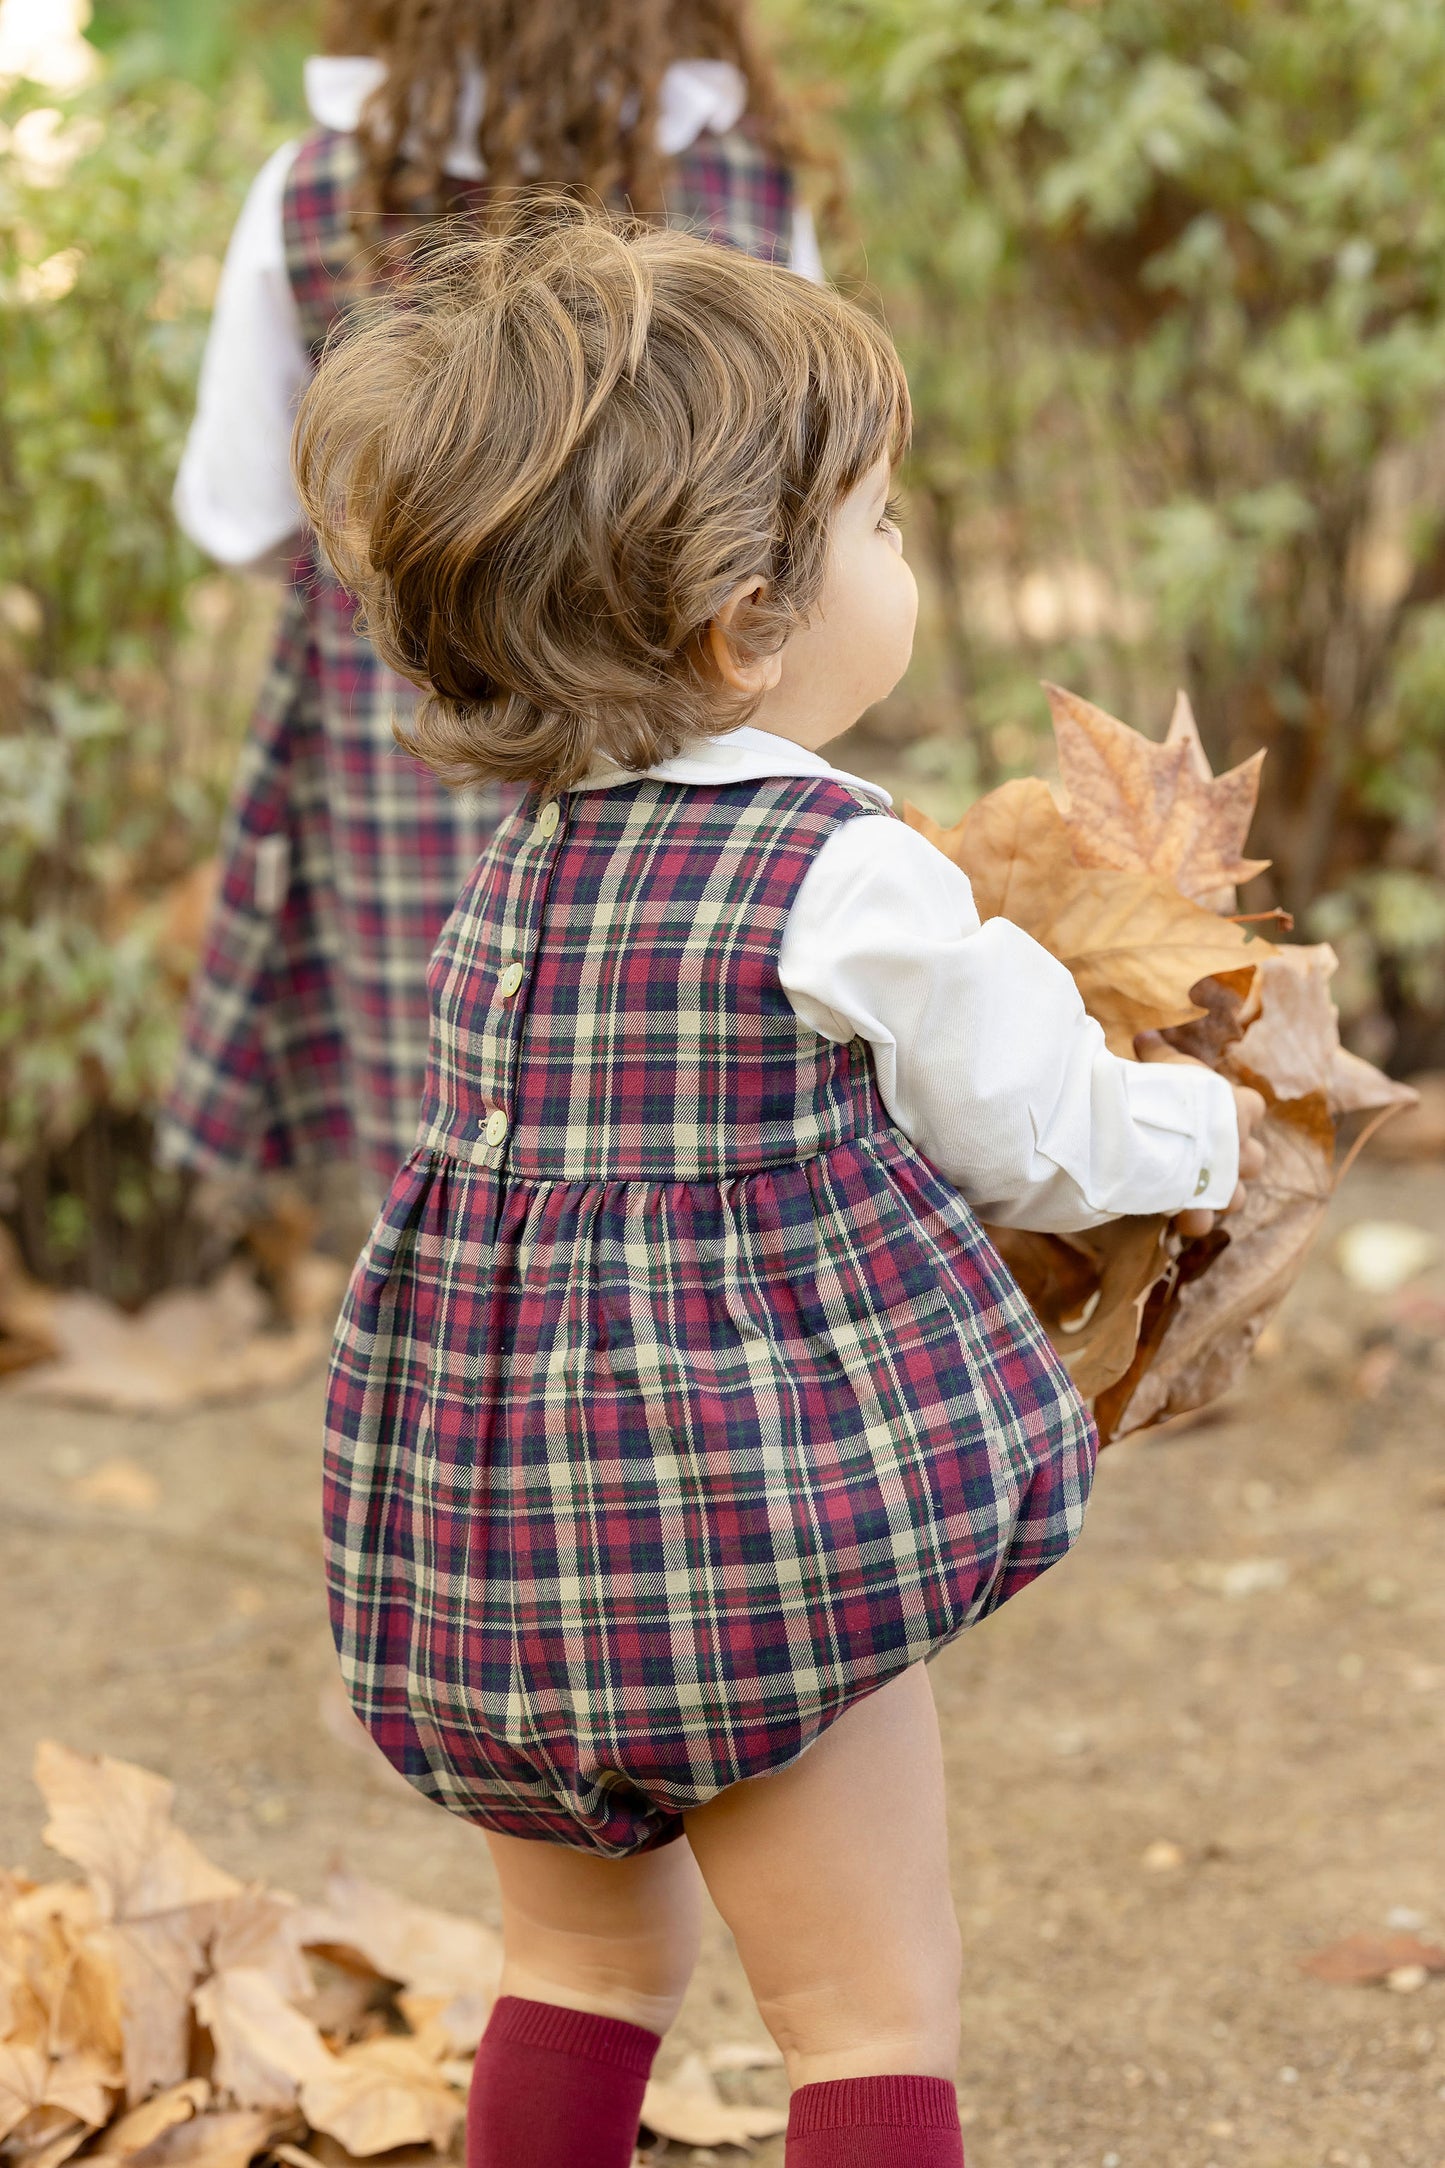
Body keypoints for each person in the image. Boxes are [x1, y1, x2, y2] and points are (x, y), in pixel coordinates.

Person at [299, 213, 1265, 2168]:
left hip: (489, 1548)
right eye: (883, 526)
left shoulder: (517, 867)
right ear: (745, 615)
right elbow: (1029, 1123)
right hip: (746, 1544)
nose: (899, 555)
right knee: (861, 2008)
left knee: (572, 1972)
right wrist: (1205, 1134)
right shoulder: (840, 866)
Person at [161, 0, 821, 1192]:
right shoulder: (746, 191)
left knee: (438, 1117)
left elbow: (246, 509)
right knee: (678, 1093)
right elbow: (814, 504)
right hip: (688, 715)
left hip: (408, 728)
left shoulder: (318, 196)